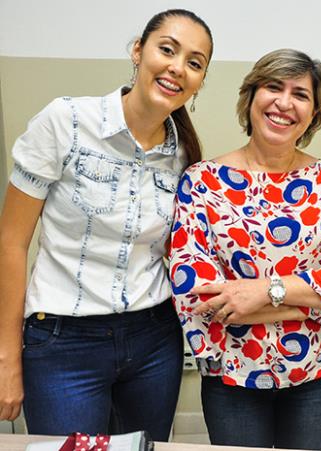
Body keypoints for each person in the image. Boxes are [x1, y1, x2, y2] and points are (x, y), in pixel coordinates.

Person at [0, 9, 213, 440]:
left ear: (200, 81)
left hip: (154, 339)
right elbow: (11, 242)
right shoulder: (65, 122)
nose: (177, 68)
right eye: (166, 50)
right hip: (63, 341)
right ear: (138, 51)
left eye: (194, 62)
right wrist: (6, 357)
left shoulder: (185, 155)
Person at [169, 48, 321, 450]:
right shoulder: (202, 182)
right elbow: (194, 287)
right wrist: (314, 302)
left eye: (301, 94)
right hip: (232, 375)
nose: (284, 102)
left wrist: (261, 293)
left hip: (316, 373)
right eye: (273, 87)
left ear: (314, 113)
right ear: (251, 97)